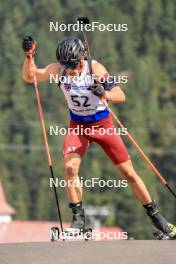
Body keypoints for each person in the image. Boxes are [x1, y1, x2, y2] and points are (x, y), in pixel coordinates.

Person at [22, 36, 176, 239]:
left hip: (103, 126)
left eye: (74, 65)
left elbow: (121, 95)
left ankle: (159, 220)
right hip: (78, 126)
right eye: (67, 66)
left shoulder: (95, 68)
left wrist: (104, 93)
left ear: (82, 59)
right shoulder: (58, 70)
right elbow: (30, 76)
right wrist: (29, 56)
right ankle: (78, 220)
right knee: (70, 168)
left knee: (129, 174)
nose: (71, 70)